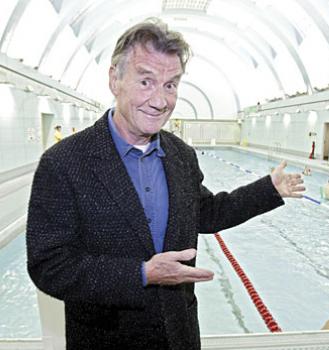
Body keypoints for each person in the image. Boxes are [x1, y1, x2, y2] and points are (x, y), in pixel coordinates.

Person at [26, 18, 305, 350]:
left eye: (171, 85)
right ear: (114, 79)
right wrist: (142, 274)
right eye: (146, 81)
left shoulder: (181, 155)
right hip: (107, 340)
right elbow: (49, 266)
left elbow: (207, 213)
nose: (160, 100)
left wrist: (268, 189)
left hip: (180, 336)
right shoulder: (64, 162)